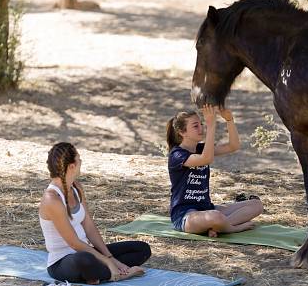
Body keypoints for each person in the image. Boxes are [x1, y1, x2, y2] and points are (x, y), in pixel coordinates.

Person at [39, 142, 151, 284]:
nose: (81, 161)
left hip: (86, 252)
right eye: (79, 158)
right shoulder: (52, 199)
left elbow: (89, 227)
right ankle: (115, 274)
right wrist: (108, 261)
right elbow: (73, 243)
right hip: (63, 262)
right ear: (72, 166)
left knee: (142, 249)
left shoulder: (76, 187)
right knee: (85, 260)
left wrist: (110, 257)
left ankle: (99, 274)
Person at [166, 105, 263, 237]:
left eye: (201, 124)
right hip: (185, 215)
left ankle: (219, 227)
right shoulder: (177, 155)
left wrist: (229, 120)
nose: (201, 128)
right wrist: (211, 125)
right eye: (195, 126)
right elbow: (206, 159)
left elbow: (233, 146)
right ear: (182, 132)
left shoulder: (200, 148)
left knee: (257, 205)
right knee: (215, 216)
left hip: (207, 208)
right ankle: (230, 228)